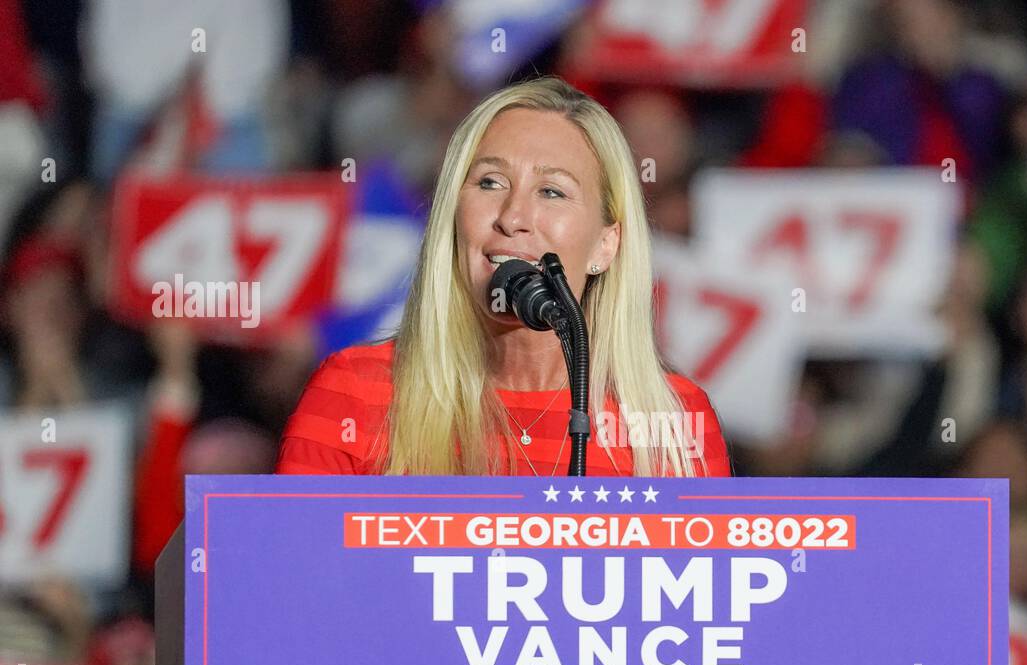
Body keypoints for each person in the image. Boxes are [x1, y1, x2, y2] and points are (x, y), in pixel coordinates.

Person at [277, 76, 730, 479]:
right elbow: (299, 572)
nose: (514, 218)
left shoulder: (676, 424)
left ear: (605, 244)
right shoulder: (353, 396)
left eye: (552, 191)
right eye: (490, 183)